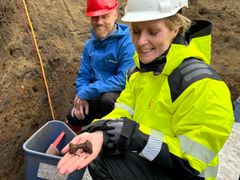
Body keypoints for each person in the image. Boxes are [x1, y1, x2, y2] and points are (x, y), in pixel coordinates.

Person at [58, 0, 234, 179]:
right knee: (99, 152)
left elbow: (190, 163)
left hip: (185, 173)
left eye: (153, 32)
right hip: (154, 158)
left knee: (106, 159)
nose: (141, 41)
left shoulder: (202, 85)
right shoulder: (142, 71)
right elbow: (122, 110)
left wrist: (135, 136)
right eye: (136, 31)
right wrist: (100, 133)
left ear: (176, 28)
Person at [66, 0, 135, 130]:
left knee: (107, 100)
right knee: (73, 116)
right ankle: (81, 138)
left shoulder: (127, 44)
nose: (99, 22)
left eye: (105, 16)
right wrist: (82, 94)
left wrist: (88, 91)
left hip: (117, 99)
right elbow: (83, 75)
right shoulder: (89, 45)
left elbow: (123, 79)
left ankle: (110, 135)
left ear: (115, 15)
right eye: (95, 17)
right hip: (95, 95)